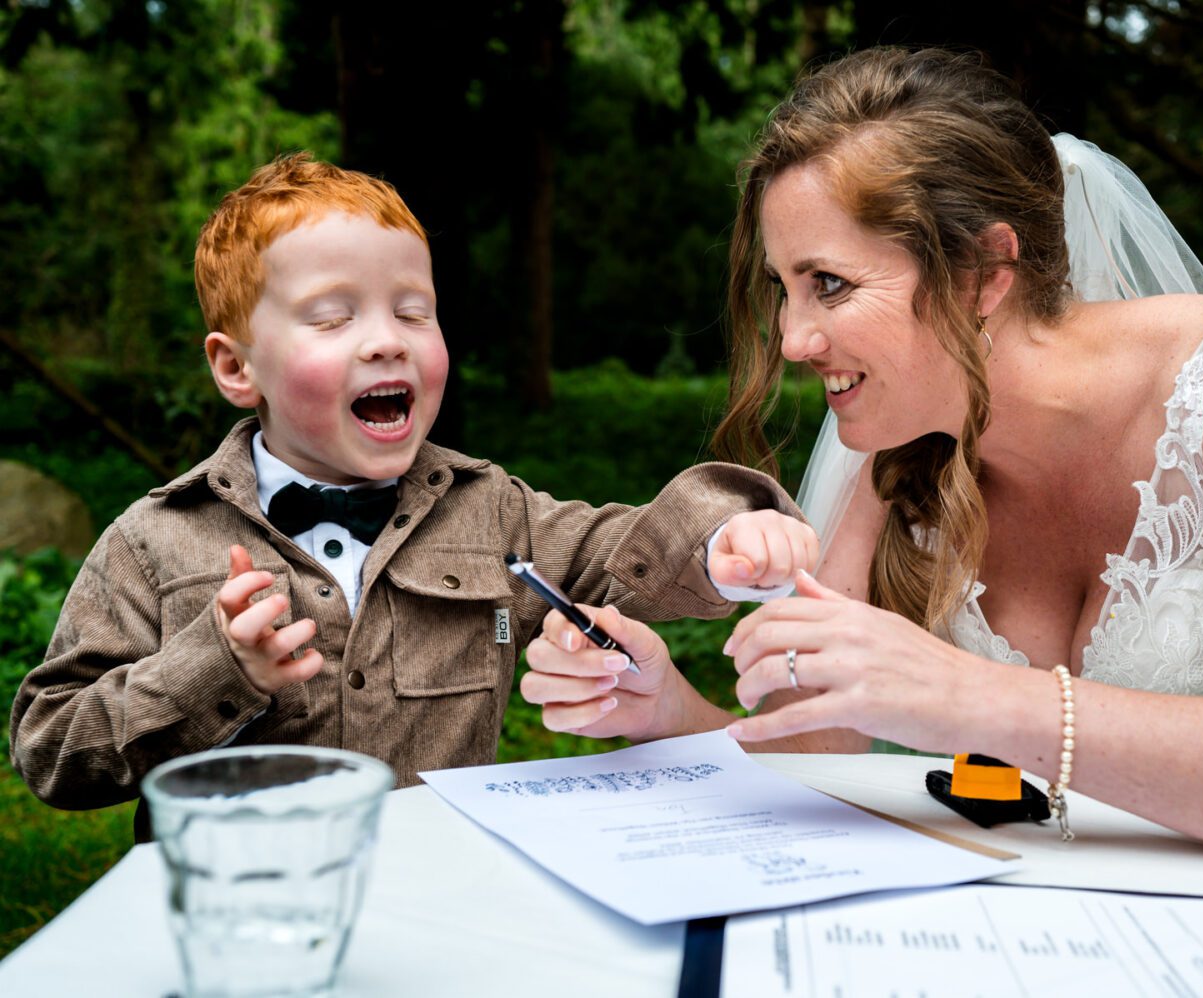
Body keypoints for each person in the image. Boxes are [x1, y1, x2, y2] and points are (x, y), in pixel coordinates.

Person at [522, 47, 1203, 865]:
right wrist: (659, 705)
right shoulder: (896, 442)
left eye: (828, 282)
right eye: (785, 287)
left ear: (985, 273)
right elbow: (821, 748)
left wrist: (978, 697)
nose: (792, 339)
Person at [8, 154, 818, 836]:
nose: (387, 338)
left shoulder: (490, 512)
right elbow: (51, 750)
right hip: (243, 927)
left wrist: (727, 539)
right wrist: (214, 667)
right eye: (331, 318)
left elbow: (628, 549)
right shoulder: (156, 541)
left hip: (444, 913)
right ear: (235, 367)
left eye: (413, 311)